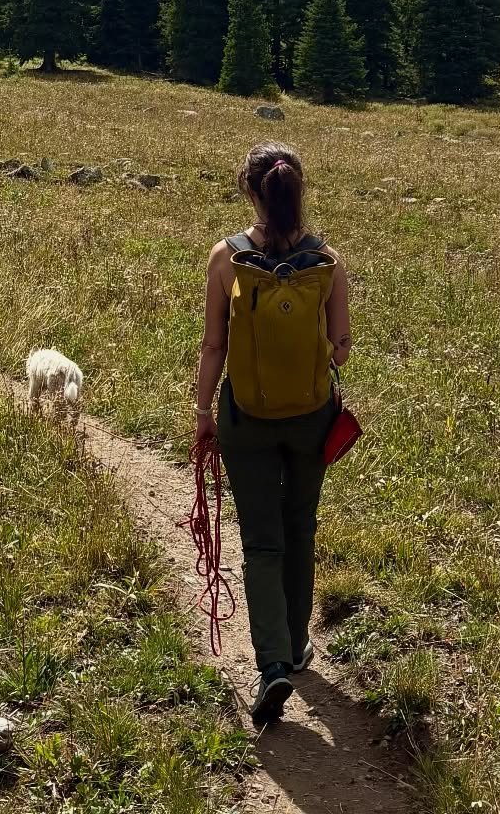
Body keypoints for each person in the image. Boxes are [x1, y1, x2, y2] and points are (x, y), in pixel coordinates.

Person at [194, 142, 352, 725]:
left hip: (247, 418)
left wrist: (203, 412)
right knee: (299, 527)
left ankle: (272, 665)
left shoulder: (226, 258)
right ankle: (297, 641)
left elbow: (214, 345)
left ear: (250, 190)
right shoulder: (327, 260)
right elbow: (341, 346)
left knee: (262, 539)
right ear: (298, 190)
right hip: (312, 416)